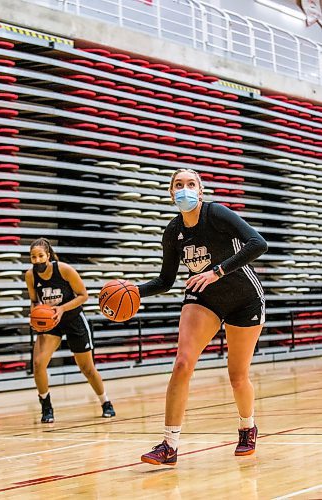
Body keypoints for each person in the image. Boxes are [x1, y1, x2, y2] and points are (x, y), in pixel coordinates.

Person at [139, 168, 268, 466]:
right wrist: (132, 292)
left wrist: (217, 271)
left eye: (190, 184)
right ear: (172, 194)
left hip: (244, 299)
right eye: (178, 184)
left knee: (237, 376)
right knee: (183, 362)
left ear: (200, 190)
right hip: (204, 298)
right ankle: (169, 444)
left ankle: (247, 427)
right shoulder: (173, 233)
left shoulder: (216, 214)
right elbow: (165, 281)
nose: (184, 189)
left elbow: (258, 243)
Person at [25, 238, 115, 423]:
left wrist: (62, 308)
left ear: (48, 255)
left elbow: (84, 296)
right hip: (51, 322)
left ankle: (105, 401)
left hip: (73, 319)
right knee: (38, 363)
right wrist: (34, 312)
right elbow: (34, 300)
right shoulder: (30, 276)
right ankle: (46, 406)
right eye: (33, 257)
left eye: (40, 255)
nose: (37, 260)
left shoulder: (64, 269)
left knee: (87, 368)